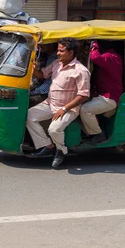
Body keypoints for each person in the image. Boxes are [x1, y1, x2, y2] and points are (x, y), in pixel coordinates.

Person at [26, 38, 91, 168]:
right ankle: (47, 145)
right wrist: (31, 67)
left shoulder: (80, 71)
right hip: (50, 104)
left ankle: (61, 151)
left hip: (69, 109)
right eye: (58, 50)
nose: (58, 53)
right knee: (28, 116)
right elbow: (43, 75)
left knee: (54, 129)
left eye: (61, 51)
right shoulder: (56, 63)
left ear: (71, 52)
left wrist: (64, 109)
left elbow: (83, 95)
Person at [80, 40, 124, 144]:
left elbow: (94, 57)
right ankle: (91, 133)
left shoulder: (111, 57)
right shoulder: (110, 56)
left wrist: (93, 45)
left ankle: (98, 135)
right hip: (102, 95)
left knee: (85, 110)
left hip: (109, 98)